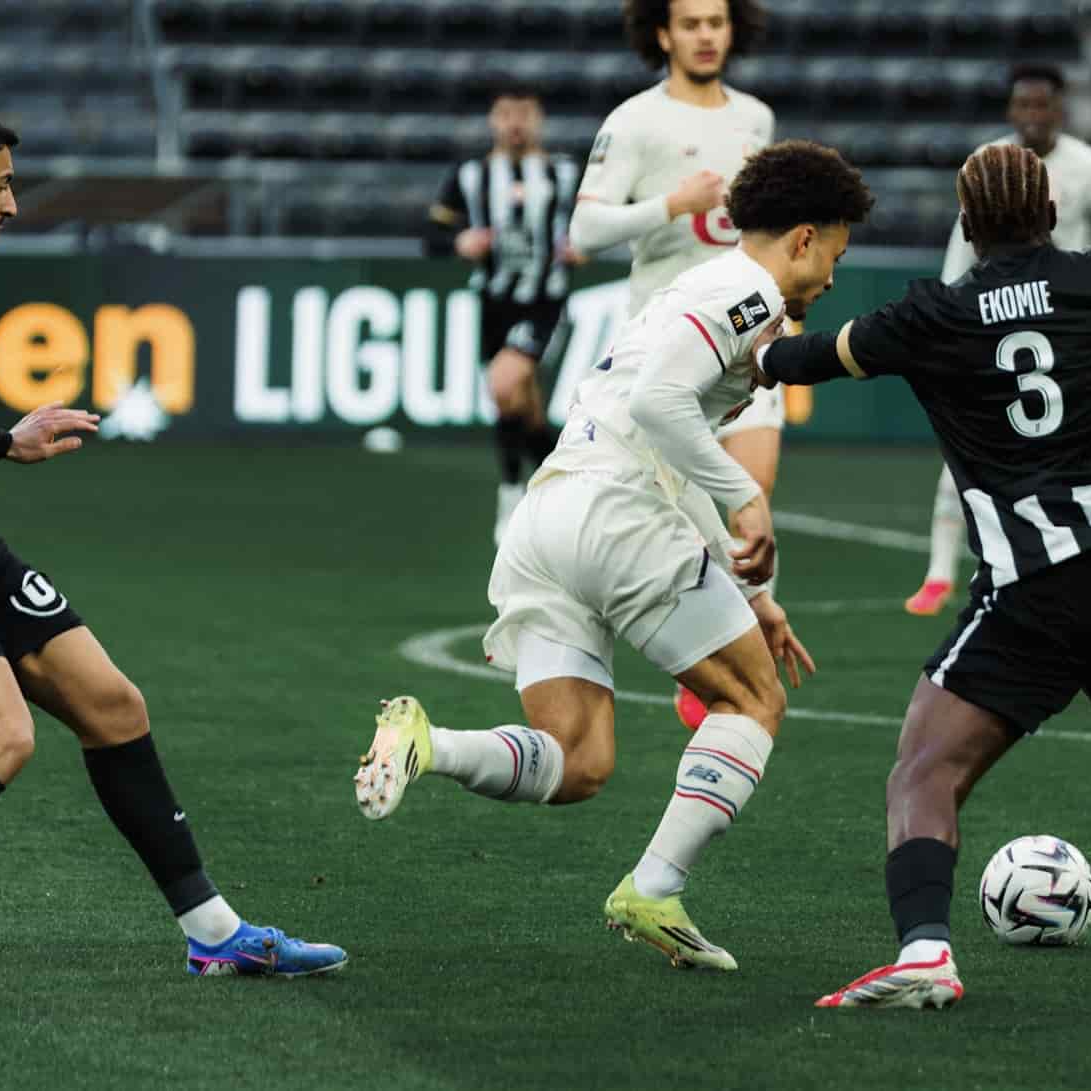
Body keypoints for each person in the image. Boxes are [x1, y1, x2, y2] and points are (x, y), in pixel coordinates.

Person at [757, 145, 1091, 1010]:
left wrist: (743, 332)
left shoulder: (933, 313)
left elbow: (795, 362)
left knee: (922, 769)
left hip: (1038, 588)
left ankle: (924, 952)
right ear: (1050, 211)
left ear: (966, 224)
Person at [355, 141, 873, 972]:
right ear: (805, 237)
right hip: (618, 517)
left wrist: (756, 593)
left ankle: (427, 742)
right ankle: (654, 888)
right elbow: (658, 404)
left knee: (579, 759)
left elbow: (664, 429)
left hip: (553, 515)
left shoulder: (701, 288)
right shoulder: (749, 290)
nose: (835, 277)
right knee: (754, 699)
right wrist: (745, 496)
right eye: (837, 254)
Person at [0, 105, 344, 977]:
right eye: (1, 184)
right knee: (1, 738)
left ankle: (213, 934)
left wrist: (8, 441)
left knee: (114, 706)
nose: (11, 205)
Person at [566, 0, 782, 729]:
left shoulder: (754, 119)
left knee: (751, 502)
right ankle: (698, 650)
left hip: (747, 344)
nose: (703, 35)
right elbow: (585, 228)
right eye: (689, 23)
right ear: (661, 33)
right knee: (680, 514)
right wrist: (669, 203)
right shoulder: (634, 121)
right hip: (666, 353)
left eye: (714, 22)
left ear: (731, 30)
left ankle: (736, 657)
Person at [907, 63, 1091, 617]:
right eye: (1024, 106)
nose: (1033, 116)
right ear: (1011, 111)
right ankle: (938, 571)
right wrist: (949, 317)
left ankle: (1071, 558)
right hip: (998, 323)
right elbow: (959, 246)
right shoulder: (988, 164)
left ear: (1061, 112)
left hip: (1067, 330)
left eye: (1043, 106)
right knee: (970, 447)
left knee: (1067, 450)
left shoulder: (1087, 167)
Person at [424, 84, 580, 543]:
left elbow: (602, 217)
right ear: (493, 120)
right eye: (506, 113)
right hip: (492, 303)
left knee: (504, 384)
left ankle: (512, 495)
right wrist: (458, 242)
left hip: (543, 301)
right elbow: (432, 234)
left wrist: (583, 245)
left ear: (539, 119)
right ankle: (572, 488)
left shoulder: (565, 172)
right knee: (523, 411)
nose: (515, 122)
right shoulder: (470, 175)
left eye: (525, 113)